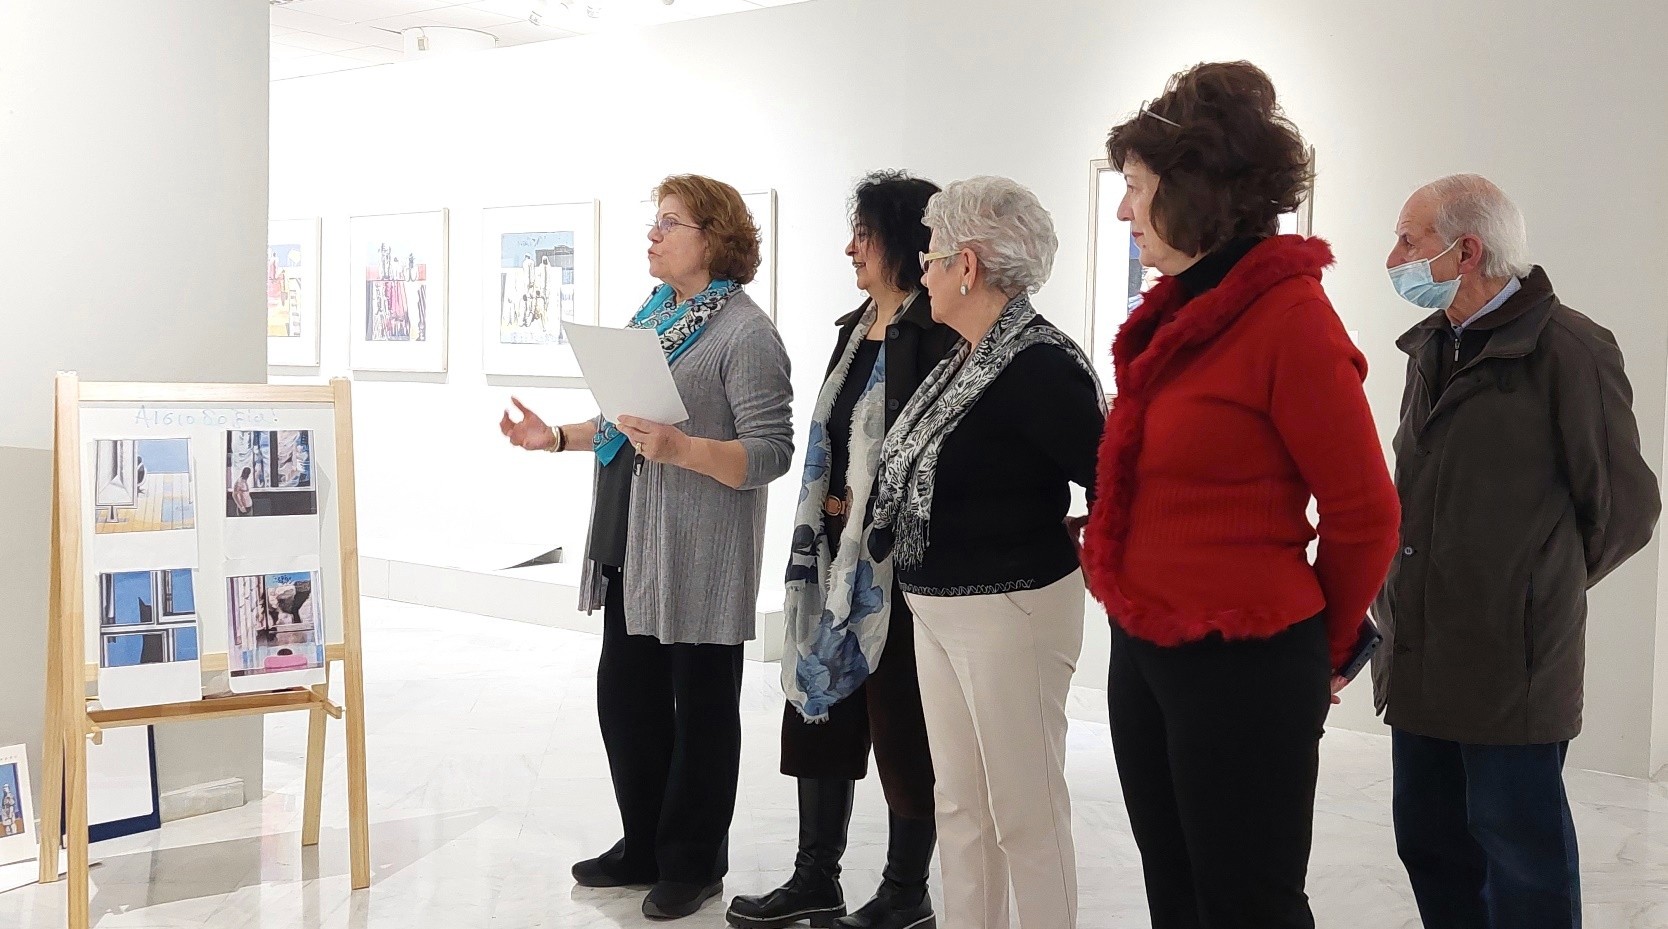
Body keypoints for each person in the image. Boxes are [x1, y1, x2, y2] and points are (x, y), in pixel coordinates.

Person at [1081, 61, 1402, 929]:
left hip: (1245, 658)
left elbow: (1367, 513)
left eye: (1135, 188)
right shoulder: (1178, 313)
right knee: (1176, 891)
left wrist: (1321, 649)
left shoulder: (1289, 317)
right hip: (1147, 642)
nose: (1123, 212)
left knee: (1248, 903)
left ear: (1190, 190)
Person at [500, 174, 794, 921]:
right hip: (634, 537)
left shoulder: (746, 333)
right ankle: (644, 845)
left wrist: (683, 449)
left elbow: (771, 451)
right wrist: (553, 437)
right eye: (654, 221)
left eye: (670, 222)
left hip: (701, 550)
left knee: (702, 708)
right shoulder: (659, 314)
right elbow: (623, 424)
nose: (653, 235)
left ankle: (693, 862)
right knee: (627, 698)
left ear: (713, 238)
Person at [1372, 174, 1660, 929]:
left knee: (1522, 856)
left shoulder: (1571, 349)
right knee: (1430, 843)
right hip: (1420, 651)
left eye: (1408, 240)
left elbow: (1626, 510)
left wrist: (1534, 588)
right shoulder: (1431, 346)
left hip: (1513, 664)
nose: (1393, 258)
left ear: (1467, 251)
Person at [867, 176, 1104, 929]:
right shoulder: (965, 355)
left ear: (966, 266)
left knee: (1025, 811)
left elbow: (1115, 474)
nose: (924, 271)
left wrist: (1093, 535)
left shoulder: (1039, 364)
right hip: (938, 607)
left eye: (931, 256)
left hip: (1009, 608)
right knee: (961, 806)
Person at [727, 172, 957, 929]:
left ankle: (905, 890)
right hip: (832, 562)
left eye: (864, 233)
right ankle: (814, 876)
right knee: (819, 712)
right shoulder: (854, 329)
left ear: (904, 239)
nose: (850, 248)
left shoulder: (940, 333)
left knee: (903, 729)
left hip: (899, 567)